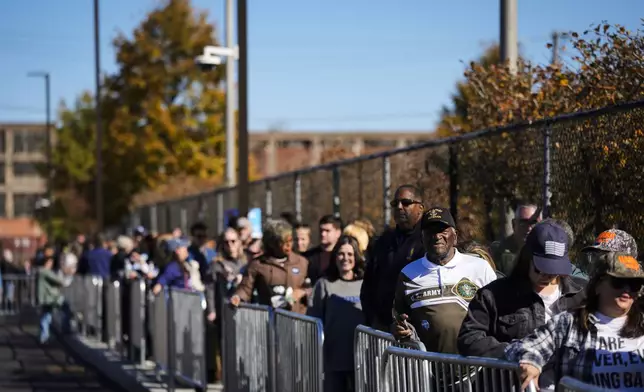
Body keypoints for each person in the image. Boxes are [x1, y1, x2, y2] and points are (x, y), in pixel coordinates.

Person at [506, 251, 644, 391]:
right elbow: (520, 347)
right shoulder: (569, 323)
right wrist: (531, 362)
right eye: (618, 282)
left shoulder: (642, 325)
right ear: (598, 284)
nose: (627, 290)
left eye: (634, 284)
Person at [458, 220, 586, 359]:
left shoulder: (581, 295)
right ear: (526, 259)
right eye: (541, 269)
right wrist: (514, 351)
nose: (548, 276)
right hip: (511, 378)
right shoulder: (493, 295)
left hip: (563, 378)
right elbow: (469, 339)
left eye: (554, 270)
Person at [392, 207, 497, 354]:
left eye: (443, 230)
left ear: (455, 236)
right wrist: (399, 329)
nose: (437, 236)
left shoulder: (479, 267)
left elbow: (500, 313)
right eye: (430, 231)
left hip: (477, 369)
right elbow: (399, 319)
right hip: (429, 370)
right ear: (422, 237)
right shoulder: (408, 274)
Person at [361, 185, 425, 331]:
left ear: (420, 208)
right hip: (383, 331)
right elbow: (368, 285)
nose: (399, 207)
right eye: (395, 204)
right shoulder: (383, 241)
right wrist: (373, 320)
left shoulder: (428, 240)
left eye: (406, 203)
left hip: (416, 331)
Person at [308, 236, 365, 392]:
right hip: (333, 358)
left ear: (356, 257)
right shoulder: (324, 284)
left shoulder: (365, 284)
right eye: (340, 254)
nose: (345, 258)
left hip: (361, 358)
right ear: (335, 257)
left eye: (350, 254)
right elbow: (314, 319)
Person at [231, 219, 309, 314]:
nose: (288, 245)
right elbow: (245, 289)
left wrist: (302, 292)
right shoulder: (258, 264)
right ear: (272, 243)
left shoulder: (302, 262)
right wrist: (237, 298)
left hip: (299, 321)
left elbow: (315, 288)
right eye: (283, 242)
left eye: (290, 241)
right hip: (270, 320)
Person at [491, 204, 542, 276]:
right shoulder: (498, 252)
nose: (529, 228)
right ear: (514, 224)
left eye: (533, 223)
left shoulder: (544, 251)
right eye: (523, 223)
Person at [38, 253, 74, 344]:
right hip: (50, 297)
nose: (51, 264)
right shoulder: (45, 272)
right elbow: (59, 281)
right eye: (50, 262)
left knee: (46, 316)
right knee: (66, 308)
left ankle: (44, 336)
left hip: (45, 297)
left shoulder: (40, 271)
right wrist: (67, 273)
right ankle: (65, 329)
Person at [304, 215, 343, 286]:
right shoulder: (309, 256)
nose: (323, 234)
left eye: (327, 231)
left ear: (338, 233)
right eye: (321, 230)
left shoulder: (344, 255)